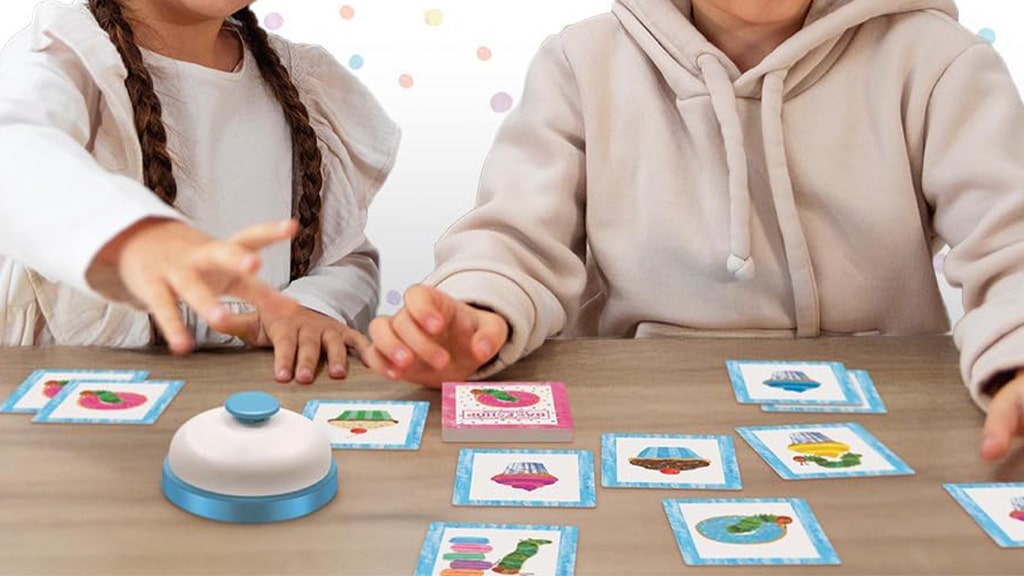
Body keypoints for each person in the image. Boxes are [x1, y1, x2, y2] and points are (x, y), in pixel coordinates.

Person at [364, 0, 1024, 460]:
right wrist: (478, 314)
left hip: (887, 419)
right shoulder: (581, 62)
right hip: (639, 424)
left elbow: (1011, 242)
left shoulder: (942, 61)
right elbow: (516, 238)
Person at [0, 0, 400, 383]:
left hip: (251, 400)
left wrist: (311, 306)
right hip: (76, 408)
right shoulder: (63, 51)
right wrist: (133, 238)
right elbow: (16, 150)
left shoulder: (298, 81)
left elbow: (345, 258)